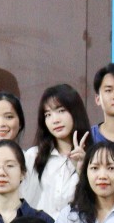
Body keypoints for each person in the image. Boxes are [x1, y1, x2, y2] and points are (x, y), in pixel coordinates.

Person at [24, 85, 91, 216]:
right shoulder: (33, 156)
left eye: (61, 111)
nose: (55, 120)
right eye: (48, 114)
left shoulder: (93, 158)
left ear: (75, 112)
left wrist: (83, 170)